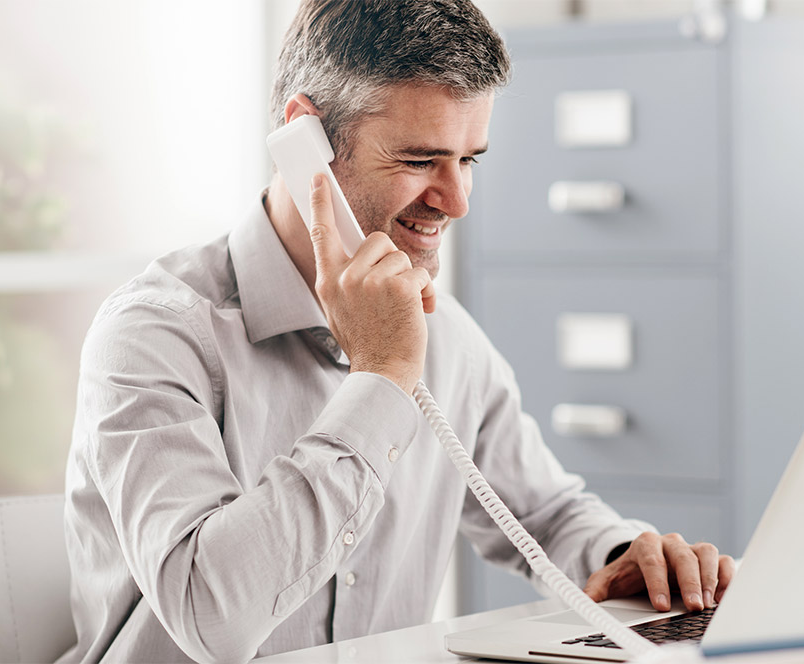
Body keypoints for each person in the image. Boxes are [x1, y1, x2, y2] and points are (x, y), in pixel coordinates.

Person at [59, 1, 734, 662]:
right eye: (419, 161)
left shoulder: (450, 341)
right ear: (305, 143)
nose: (457, 202)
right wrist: (380, 380)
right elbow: (210, 619)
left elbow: (546, 514)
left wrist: (622, 554)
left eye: (469, 160)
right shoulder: (154, 335)